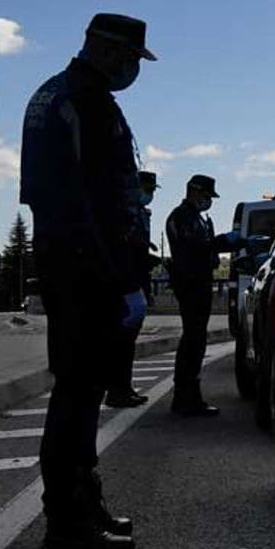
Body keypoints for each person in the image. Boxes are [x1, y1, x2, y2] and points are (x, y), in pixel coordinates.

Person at [19, 13, 155, 549]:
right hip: (85, 269)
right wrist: (120, 279)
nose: (131, 71)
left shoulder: (57, 95)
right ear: (103, 50)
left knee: (83, 391)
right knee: (77, 395)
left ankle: (83, 505)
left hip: (71, 264)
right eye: (128, 59)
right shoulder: (85, 103)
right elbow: (89, 205)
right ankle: (68, 522)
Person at [166, 174, 238, 416]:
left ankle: (190, 396)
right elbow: (194, 248)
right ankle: (185, 397)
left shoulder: (196, 218)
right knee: (193, 340)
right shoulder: (182, 217)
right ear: (194, 191)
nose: (209, 201)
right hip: (191, 283)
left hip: (200, 281)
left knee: (196, 340)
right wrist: (223, 242)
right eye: (207, 196)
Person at [104, 170, 158, 408]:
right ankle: (118, 390)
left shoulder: (138, 213)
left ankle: (123, 387)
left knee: (127, 344)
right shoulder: (120, 213)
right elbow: (122, 249)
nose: (149, 194)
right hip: (124, 283)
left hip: (135, 280)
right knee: (121, 343)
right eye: (147, 189)